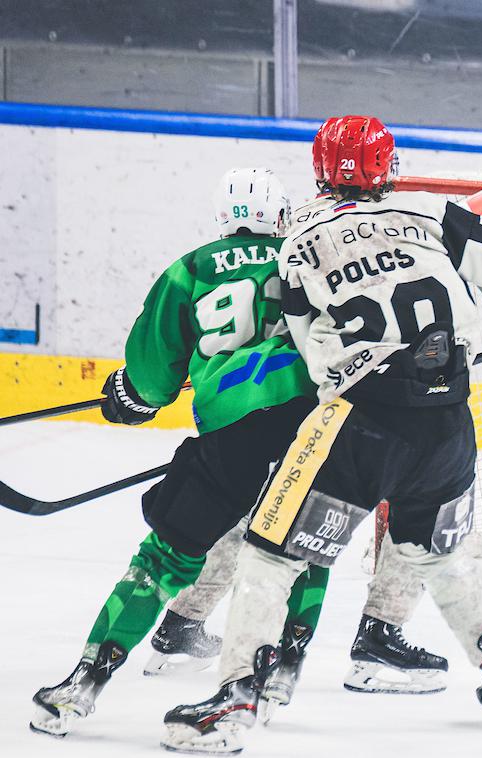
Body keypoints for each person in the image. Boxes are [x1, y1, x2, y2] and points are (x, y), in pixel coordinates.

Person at [161, 114, 482, 753]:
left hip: (358, 424)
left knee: (270, 554)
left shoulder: (297, 239)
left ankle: (237, 698)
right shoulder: (441, 221)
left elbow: (304, 345)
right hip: (448, 425)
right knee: (437, 553)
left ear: (319, 169)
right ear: (391, 169)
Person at [30, 168, 322, 736]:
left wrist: (130, 397)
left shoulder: (192, 269)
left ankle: (80, 687)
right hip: (306, 432)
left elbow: (150, 382)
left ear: (223, 218)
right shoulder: (307, 256)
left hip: (227, 440)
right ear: (282, 214)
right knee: (305, 547)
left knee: (161, 562)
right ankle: (284, 668)